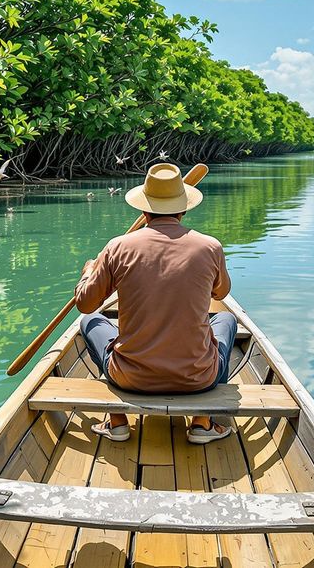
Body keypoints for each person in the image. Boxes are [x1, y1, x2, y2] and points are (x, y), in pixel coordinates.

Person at [75, 162, 237, 445]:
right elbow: (221, 294)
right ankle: (202, 422)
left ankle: (117, 422)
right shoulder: (210, 246)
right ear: (184, 209)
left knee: (90, 322)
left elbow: (86, 305)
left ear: (143, 210)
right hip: (197, 378)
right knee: (226, 320)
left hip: (130, 377)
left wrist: (89, 272)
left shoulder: (117, 247)